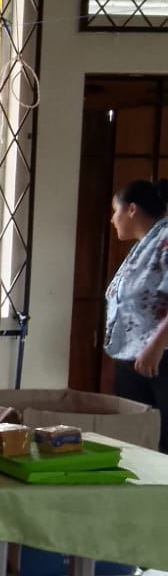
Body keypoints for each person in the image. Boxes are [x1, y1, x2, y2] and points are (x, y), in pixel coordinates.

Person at [104, 177, 168, 451]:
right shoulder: (143, 246)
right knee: (138, 440)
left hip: (160, 357)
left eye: (115, 211)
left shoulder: (165, 239)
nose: (112, 219)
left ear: (131, 209)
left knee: (162, 440)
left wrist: (155, 346)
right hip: (132, 357)